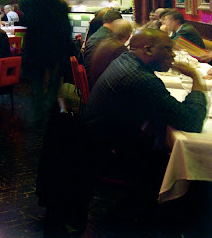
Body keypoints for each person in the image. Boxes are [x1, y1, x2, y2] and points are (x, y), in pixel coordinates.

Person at [81, 29, 208, 212]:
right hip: (109, 151)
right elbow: (191, 122)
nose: (172, 55)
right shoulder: (140, 78)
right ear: (148, 50)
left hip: (99, 139)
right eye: (167, 49)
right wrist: (196, 79)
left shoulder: (126, 59)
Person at [20, 0, 73, 121]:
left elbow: (25, 20)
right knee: (54, 82)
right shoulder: (60, 5)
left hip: (34, 50)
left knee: (36, 82)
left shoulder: (29, 2)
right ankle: (49, 107)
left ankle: (38, 111)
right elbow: (66, 30)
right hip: (54, 50)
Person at [88, 19, 133, 89]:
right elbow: (131, 74)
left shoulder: (106, 42)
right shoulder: (120, 49)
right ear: (129, 36)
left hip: (96, 85)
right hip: (104, 89)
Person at [83, 9, 122, 78]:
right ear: (117, 23)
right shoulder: (108, 38)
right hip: (96, 79)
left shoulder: (97, 34)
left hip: (90, 75)